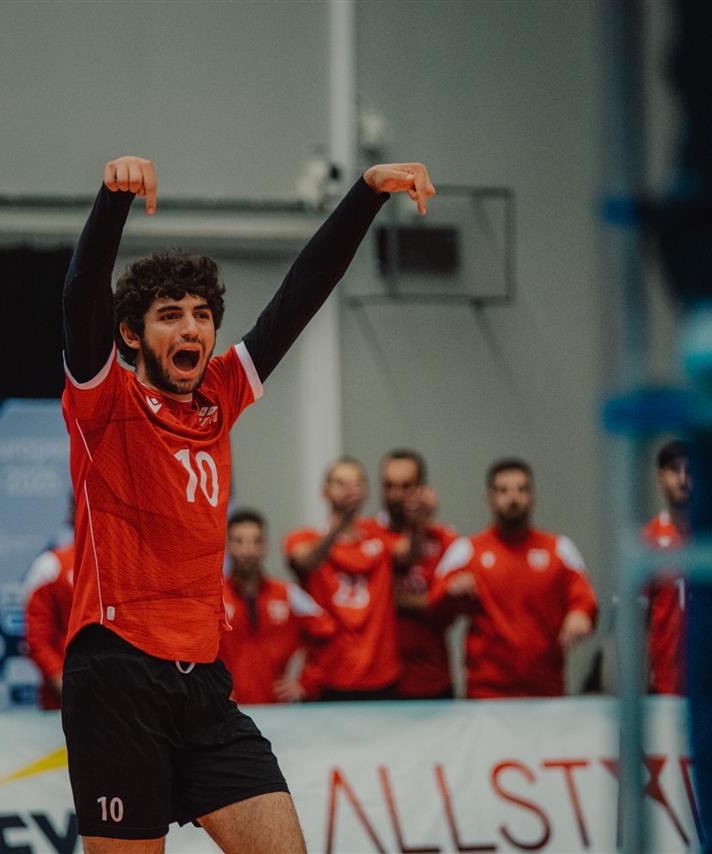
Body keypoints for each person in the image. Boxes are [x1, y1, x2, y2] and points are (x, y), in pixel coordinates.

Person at [60, 154, 434, 852]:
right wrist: (112, 200)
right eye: (170, 316)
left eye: (202, 316)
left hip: (203, 684)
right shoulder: (104, 401)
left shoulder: (220, 394)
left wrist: (365, 194)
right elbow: (83, 293)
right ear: (131, 335)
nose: (192, 329)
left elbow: (300, 294)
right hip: (116, 675)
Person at [427, 458, 597, 699]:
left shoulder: (559, 549)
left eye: (521, 489)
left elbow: (583, 597)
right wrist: (450, 592)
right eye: (504, 491)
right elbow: (434, 608)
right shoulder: (466, 551)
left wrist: (580, 614)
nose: (513, 498)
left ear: (532, 495)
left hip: (546, 690)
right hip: (486, 692)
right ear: (490, 497)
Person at [285, 458, 402, 701]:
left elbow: (409, 555)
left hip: (381, 675)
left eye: (357, 483)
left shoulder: (380, 535)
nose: (350, 489)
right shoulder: (303, 538)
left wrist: (420, 520)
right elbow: (305, 561)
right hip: (328, 676)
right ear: (325, 491)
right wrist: (339, 526)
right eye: (341, 483)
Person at [360, 449, 459, 700]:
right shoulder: (364, 536)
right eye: (389, 486)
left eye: (405, 486)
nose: (396, 495)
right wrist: (423, 601)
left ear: (422, 489)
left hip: (431, 678)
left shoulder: (445, 540)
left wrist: (390, 600)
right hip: (375, 681)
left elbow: (447, 609)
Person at [219, 509, 335, 705]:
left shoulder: (289, 595)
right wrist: (210, 690)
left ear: (265, 546)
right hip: (228, 712)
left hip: (279, 711)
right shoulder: (214, 598)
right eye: (239, 541)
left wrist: (306, 683)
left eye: (256, 541)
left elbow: (329, 633)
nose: (248, 550)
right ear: (227, 546)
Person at [642, 439, 691, 695]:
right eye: (674, 470)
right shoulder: (648, 541)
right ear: (660, 477)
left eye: (690, 470)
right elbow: (633, 621)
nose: (683, 479)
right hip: (666, 686)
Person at [23, 541, 76, 710]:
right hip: (64, 701)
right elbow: (37, 638)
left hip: (124, 695)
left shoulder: (126, 560)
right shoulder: (51, 565)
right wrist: (69, 690)